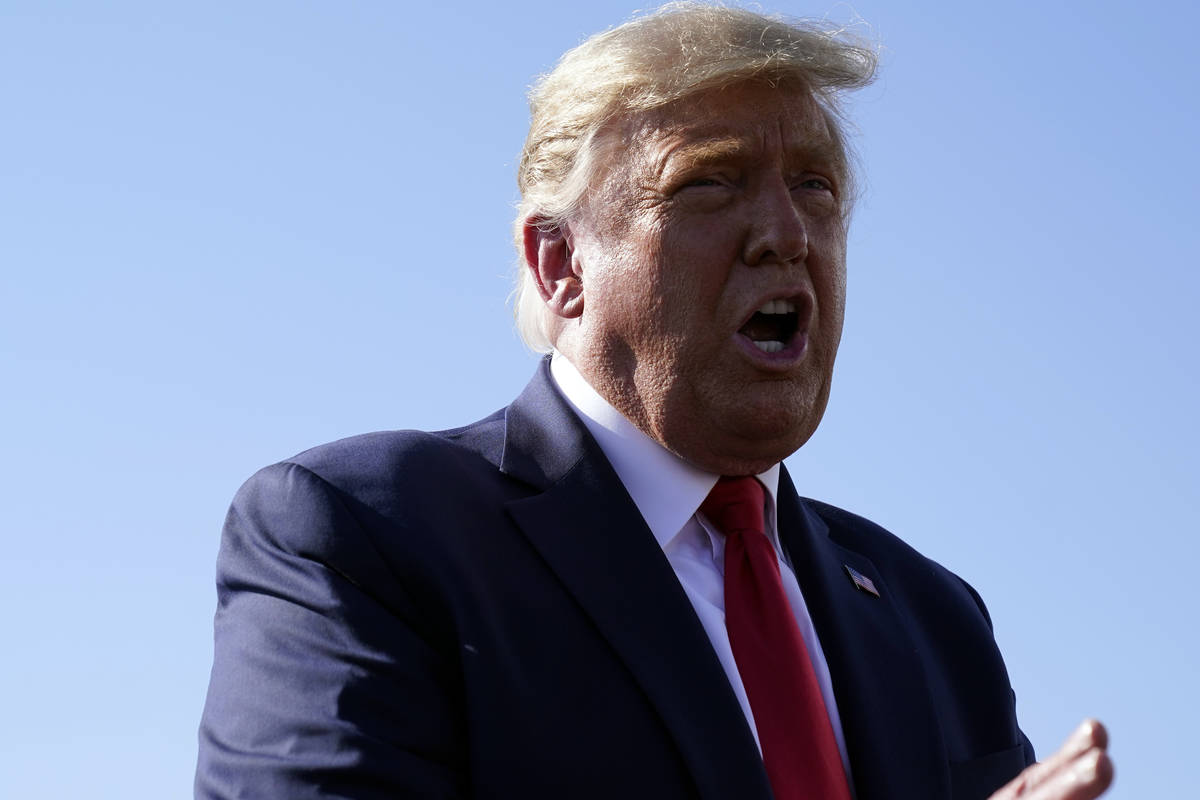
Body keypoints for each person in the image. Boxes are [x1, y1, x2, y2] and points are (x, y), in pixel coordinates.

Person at [195, 4, 1113, 799]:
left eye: (816, 188)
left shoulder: (933, 618)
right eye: (710, 182)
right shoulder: (363, 535)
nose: (785, 234)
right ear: (560, 264)